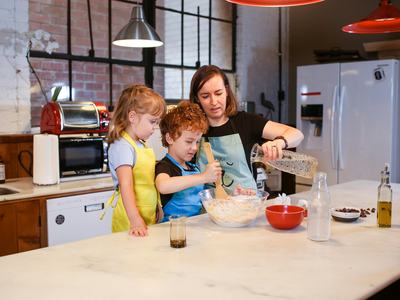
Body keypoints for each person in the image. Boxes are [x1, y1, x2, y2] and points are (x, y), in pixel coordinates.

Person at [189, 65, 304, 194]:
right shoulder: (191, 129)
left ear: (227, 91)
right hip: (207, 208)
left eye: (218, 93)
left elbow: (297, 134)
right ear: (197, 99)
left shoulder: (245, 122)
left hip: (246, 206)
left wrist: (279, 142)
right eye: (205, 96)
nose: (214, 101)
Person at [106, 84, 166, 237]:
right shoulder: (122, 145)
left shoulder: (141, 143)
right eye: (152, 121)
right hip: (130, 220)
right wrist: (135, 219)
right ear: (132, 117)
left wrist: (157, 206)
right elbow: (126, 185)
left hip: (147, 214)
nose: (155, 127)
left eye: (157, 122)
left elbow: (149, 182)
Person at [155, 101, 222, 222]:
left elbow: (208, 198)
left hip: (194, 226)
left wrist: (236, 196)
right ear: (170, 138)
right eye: (189, 141)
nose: (195, 148)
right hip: (171, 230)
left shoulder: (193, 167)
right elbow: (163, 185)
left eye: (197, 141)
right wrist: (203, 177)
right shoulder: (165, 166)